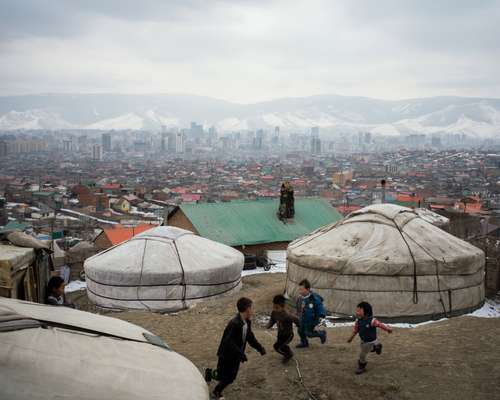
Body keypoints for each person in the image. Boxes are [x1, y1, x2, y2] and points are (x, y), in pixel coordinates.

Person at [211, 297, 266, 399]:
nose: (252, 310)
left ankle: (211, 377)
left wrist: (260, 348)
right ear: (247, 309)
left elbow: (250, 337)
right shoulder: (235, 323)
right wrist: (241, 354)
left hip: (235, 355)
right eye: (251, 308)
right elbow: (228, 342)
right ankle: (216, 392)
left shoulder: (247, 322)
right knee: (228, 377)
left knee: (227, 376)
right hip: (226, 355)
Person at [347, 301, 392, 375]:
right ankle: (376, 347)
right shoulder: (358, 321)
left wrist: (387, 329)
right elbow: (355, 331)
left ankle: (361, 366)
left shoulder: (372, 321)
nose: (357, 312)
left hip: (371, 341)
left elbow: (380, 325)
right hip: (363, 341)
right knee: (365, 349)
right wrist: (351, 338)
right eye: (356, 310)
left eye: (359, 311)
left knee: (362, 355)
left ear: (367, 312)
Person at [266, 294, 300, 362]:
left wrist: (300, 326)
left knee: (280, 346)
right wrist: (269, 325)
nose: (275, 309)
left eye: (277, 308)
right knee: (278, 346)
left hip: (288, 335)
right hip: (280, 334)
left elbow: (296, 319)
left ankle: (289, 354)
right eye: (274, 307)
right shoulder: (274, 312)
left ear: (283, 307)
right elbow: (272, 320)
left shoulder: (287, 315)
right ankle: (287, 354)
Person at [296, 279, 327, 348]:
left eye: (301, 289)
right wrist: (298, 315)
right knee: (300, 331)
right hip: (303, 318)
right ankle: (304, 343)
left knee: (309, 333)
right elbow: (298, 308)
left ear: (308, 289)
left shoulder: (314, 299)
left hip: (312, 320)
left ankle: (322, 334)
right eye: (299, 289)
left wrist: (320, 321)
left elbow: (320, 309)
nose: (300, 291)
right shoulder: (300, 298)